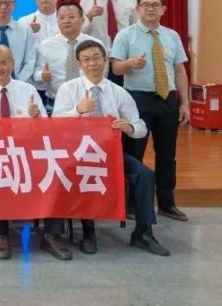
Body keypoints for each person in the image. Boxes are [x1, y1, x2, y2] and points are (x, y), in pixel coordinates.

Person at [52, 40, 171, 256]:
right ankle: (88, 232)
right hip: (77, 153)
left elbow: (141, 127)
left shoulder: (119, 92)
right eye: (86, 59)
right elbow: (55, 124)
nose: (92, 64)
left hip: (110, 153)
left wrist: (129, 127)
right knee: (83, 172)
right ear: (79, 64)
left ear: (105, 60)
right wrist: (78, 110)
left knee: (144, 174)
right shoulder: (68, 89)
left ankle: (143, 232)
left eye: (96, 58)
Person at [0, 46, 68, 260]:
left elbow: (45, 129)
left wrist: (36, 117)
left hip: (26, 151)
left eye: (3, 63)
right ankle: (1, 236)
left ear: (12, 63)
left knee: (55, 173)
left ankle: (51, 236)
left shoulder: (28, 90)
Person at [110, 0, 190, 222]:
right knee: (134, 153)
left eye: (155, 5)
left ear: (163, 10)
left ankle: (167, 202)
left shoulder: (172, 36)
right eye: (145, 5)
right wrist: (131, 63)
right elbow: (115, 69)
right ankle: (131, 203)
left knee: (167, 154)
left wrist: (184, 103)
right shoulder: (126, 35)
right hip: (137, 99)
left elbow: (179, 70)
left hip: (167, 99)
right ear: (138, 9)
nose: (150, 9)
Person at [33, 1, 95, 113]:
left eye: (71, 17)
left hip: (88, 104)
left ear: (82, 20)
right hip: (55, 104)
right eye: (61, 18)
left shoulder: (94, 45)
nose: (66, 21)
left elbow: (102, 74)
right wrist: (41, 75)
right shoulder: (46, 45)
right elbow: (36, 73)